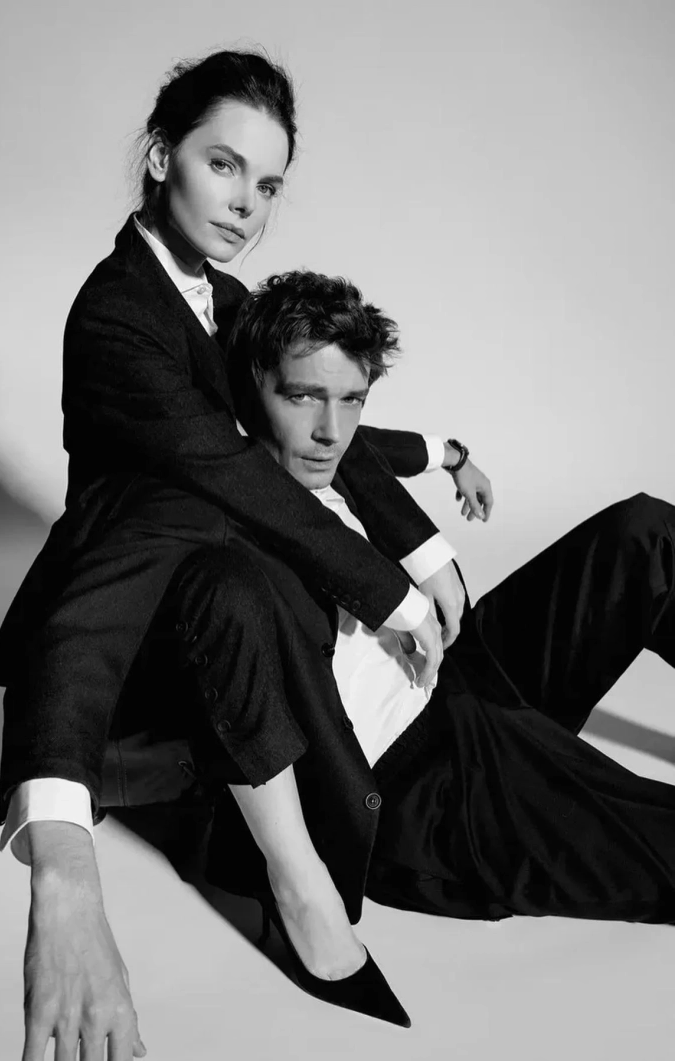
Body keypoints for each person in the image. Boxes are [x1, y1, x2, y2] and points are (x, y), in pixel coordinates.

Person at [0, 50, 492, 1060]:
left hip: (239, 596)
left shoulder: (224, 296)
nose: (245, 204)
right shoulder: (116, 317)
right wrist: (63, 871)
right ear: (161, 155)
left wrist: (437, 472)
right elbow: (232, 477)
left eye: (266, 184)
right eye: (223, 165)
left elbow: (304, 419)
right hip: (142, 616)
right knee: (206, 528)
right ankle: (294, 880)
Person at [127, 267, 673, 1030]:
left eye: (351, 398)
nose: (331, 429)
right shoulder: (206, 525)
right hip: (422, 787)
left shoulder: (335, 445)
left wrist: (454, 456)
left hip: (465, 674)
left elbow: (383, 447)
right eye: (303, 397)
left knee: (644, 534)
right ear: (253, 389)